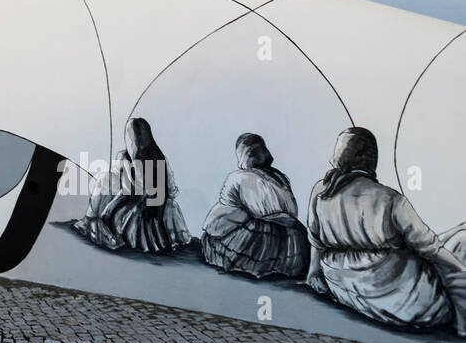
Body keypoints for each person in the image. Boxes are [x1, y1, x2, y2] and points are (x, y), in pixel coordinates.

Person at [306, 126, 466, 335]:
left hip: (343, 286)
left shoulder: (321, 191)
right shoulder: (390, 199)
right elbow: (430, 247)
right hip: (402, 297)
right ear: (370, 157)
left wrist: (313, 273)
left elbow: (316, 240)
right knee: (460, 241)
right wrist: (459, 268)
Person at [74, 117, 190, 254]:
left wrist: (125, 167)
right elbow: (171, 189)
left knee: (104, 180)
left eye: (129, 137)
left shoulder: (134, 159)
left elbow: (134, 188)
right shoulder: (159, 157)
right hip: (155, 205)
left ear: (135, 139)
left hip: (139, 209)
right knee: (106, 179)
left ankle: (90, 219)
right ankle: (90, 219)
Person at [201, 133, 308, 278]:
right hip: (288, 237)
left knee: (218, 241)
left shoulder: (241, 177)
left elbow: (261, 213)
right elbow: (290, 212)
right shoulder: (280, 176)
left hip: (258, 238)